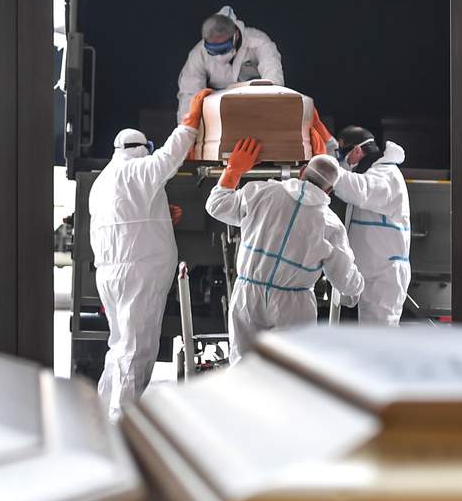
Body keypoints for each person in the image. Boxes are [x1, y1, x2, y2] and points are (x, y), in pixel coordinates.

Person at [89, 87, 211, 422]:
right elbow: (171, 155)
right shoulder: (139, 170)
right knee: (137, 349)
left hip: (109, 272)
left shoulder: (103, 181)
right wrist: (193, 116)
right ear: (144, 149)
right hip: (139, 273)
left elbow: (124, 218)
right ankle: (121, 423)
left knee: (119, 345)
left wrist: (159, 213)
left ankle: (102, 412)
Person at [205, 142, 363, 363]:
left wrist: (234, 169)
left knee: (242, 371)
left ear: (301, 172)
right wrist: (358, 287)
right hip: (294, 304)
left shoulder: (261, 192)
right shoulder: (330, 225)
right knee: (287, 375)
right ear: (329, 191)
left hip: (249, 293)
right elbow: (347, 282)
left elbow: (217, 204)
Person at [314, 117, 412, 325]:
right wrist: (316, 125)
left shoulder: (387, 175)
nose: (342, 160)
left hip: (384, 277)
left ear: (357, 151)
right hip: (370, 272)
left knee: (378, 343)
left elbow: (357, 189)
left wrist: (322, 162)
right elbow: (343, 168)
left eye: (344, 154)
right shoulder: (371, 172)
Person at [176, 6, 284, 123]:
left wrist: (270, 116)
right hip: (217, 112)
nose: (219, 55)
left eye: (223, 49)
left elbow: (274, 79)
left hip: (256, 107)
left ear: (235, 35)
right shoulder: (198, 54)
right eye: (213, 51)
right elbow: (190, 95)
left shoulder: (259, 43)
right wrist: (189, 128)